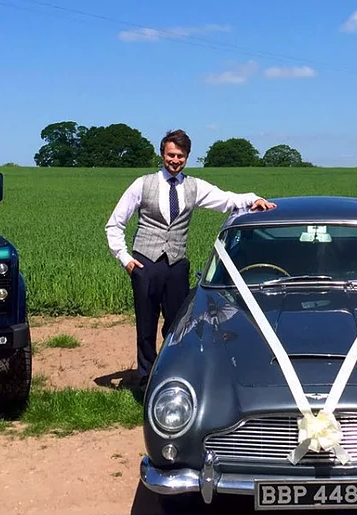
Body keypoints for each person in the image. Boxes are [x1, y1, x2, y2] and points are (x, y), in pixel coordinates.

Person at [106, 129, 276, 388]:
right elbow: (114, 224)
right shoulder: (142, 184)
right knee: (146, 323)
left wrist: (254, 199)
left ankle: (172, 371)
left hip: (177, 264)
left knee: (178, 324)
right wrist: (125, 259)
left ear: (187, 157)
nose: (175, 160)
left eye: (181, 156)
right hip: (145, 263)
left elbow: (227, 200)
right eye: (171, 155)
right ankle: (145, 378)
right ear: (162, 154)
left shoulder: (194, 186)